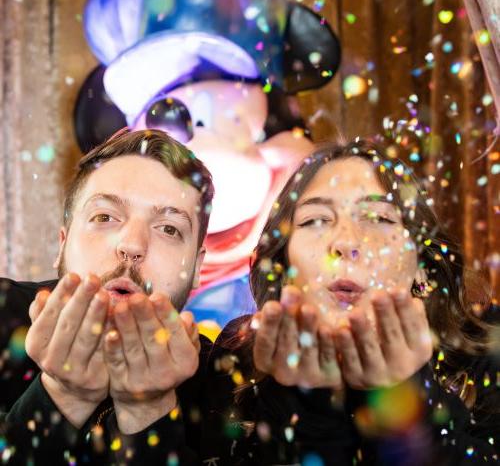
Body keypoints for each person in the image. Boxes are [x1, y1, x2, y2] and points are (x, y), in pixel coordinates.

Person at [206, 139, 500, 465]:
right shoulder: (238, 353)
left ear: (422, 266)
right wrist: (304, 406)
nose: (345, 243)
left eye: (378, 218)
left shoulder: (486, 347)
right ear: (283, 266)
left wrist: (405, 404)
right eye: (315, 220)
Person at [0, 128, 215, 464]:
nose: (132, 245)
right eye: (104, 217)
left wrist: (150, 411)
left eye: (169, 229)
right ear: (62, 244)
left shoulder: (221, 381)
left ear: (198, 267)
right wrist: (61, 395)